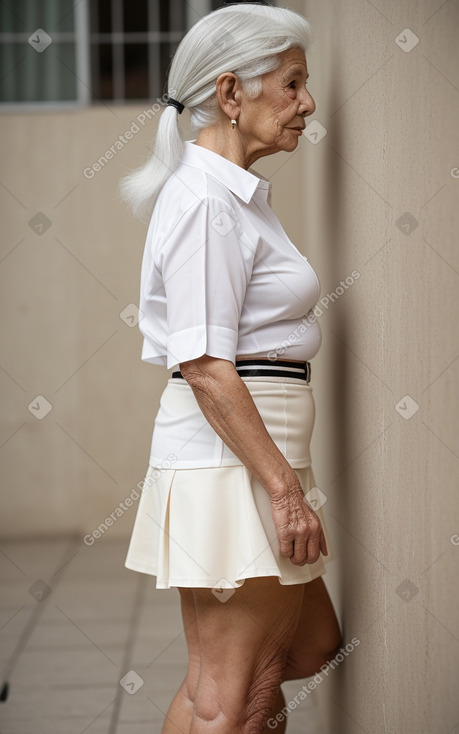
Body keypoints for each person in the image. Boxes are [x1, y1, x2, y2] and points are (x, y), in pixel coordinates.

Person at [121, 4, 343, 733]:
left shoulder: (233, 198)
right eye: (291, 84)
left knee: (306, 646)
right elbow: (207, 366)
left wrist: (283, 480)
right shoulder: (207, 204)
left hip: (252, 456)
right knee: (226, 694)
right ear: (229, 94)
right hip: (233, 464)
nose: (306, 104)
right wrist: (283, 491)